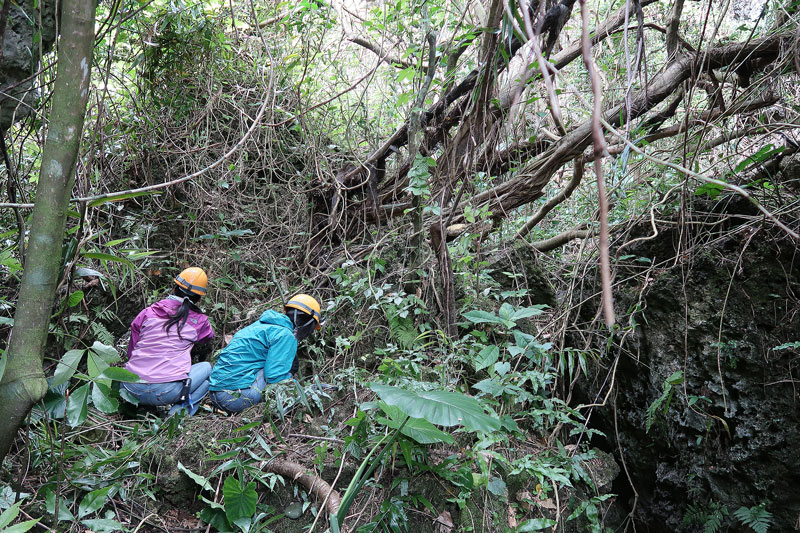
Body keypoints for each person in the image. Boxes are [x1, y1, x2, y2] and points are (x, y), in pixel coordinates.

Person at [121, 267, 215, 416]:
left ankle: (142, 409)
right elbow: (208, 337)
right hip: (166, 392)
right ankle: (175, 416)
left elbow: (132, 350)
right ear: (199, 298)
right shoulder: (199, 322)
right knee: (207, 370)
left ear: (174, 287)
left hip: (130, 387)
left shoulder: (148, 312)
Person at [209, 294, 324, 414]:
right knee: (276, 373)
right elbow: (275, 378)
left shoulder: (260, 326)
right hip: (234, 399)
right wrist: (301, 389)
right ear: (307, 321)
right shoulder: (285, 335)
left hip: (215, 394)